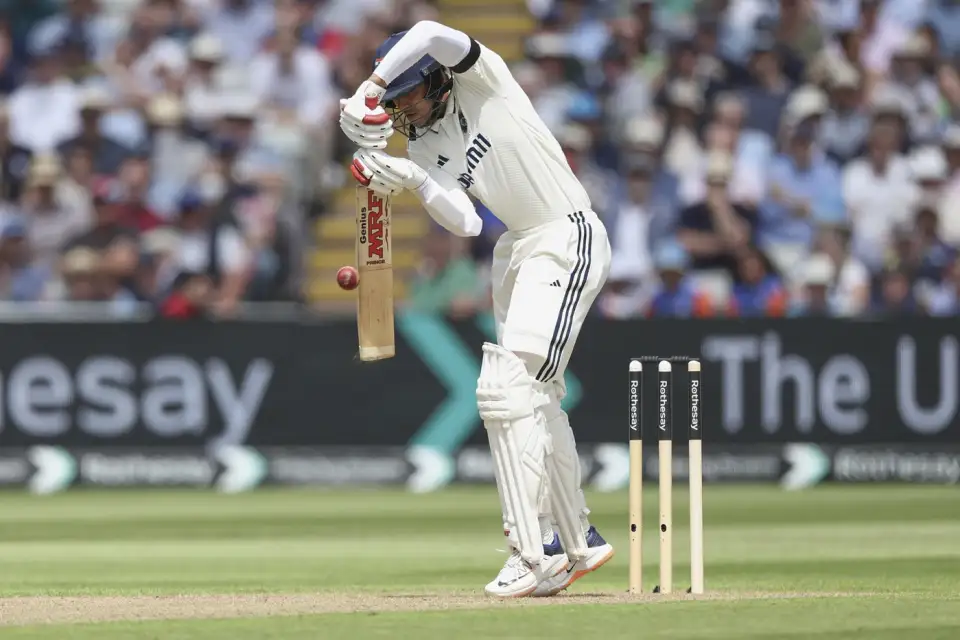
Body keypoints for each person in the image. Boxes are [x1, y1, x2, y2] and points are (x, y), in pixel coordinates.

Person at [339, 21, 614, 598]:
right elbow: (464, 221)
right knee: (535, 395)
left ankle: (532, 551)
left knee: (504, 389)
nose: (398, 108)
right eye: (391, 103)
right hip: (515, 247)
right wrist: (410, 176)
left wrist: (371, 82)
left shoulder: (484, 80)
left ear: (435, 81)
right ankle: (576, 539)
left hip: (565, 233)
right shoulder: (423, 140)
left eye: (404, 95)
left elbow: (431, 30)